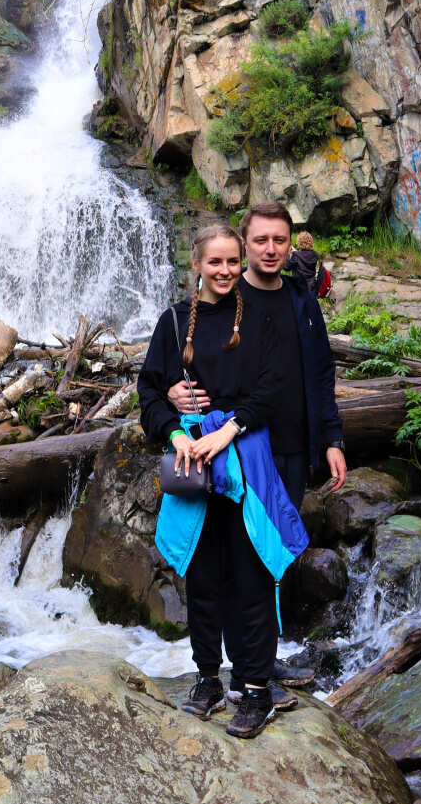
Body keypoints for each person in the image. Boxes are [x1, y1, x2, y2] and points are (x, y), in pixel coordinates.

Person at [168, 202, 346, 699]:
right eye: (261, 240)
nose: (271, 249)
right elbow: (184, 362)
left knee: (269, 554)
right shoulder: (228, 297)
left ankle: (261, 659)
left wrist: (332, 439)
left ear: (292, 245)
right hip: (239, 451)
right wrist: (171, 395)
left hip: (293, 445)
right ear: (243, 244)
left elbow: (320, 372)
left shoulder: (300, 298)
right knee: (234, 557)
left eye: (280, 241)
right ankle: (242, 664)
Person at [138, 223, 308, 738]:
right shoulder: (172, 322)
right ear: (197, 265)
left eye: (233, 261)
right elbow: (148, 390)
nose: (226, 271)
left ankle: (256, 690)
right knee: (204, 574)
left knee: (251, 573)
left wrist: (228, 431)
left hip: (245, 457)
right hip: (193, 460)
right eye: (216, 262)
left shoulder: (259, 316)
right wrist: (175, 433)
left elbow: (274, 389)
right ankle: (209, 679)